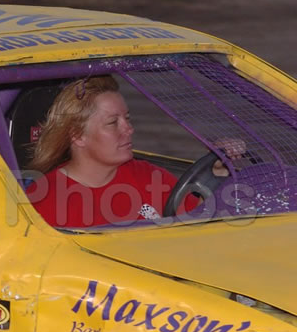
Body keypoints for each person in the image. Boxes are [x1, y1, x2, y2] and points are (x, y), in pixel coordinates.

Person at [27, 75, 224, 228]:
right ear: (77, 135)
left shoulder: (147, 176)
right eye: (113, 123)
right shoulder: (45, 200)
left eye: (127, 119)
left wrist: (217, 176)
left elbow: (199, 221)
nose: (129, 129)